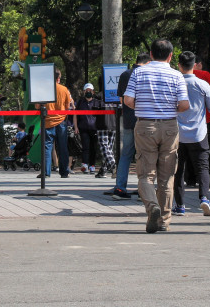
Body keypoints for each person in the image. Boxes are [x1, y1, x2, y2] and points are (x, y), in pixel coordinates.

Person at [123, 39, 190, 233]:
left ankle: (152, 206)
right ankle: (164, 221)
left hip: (145, 125)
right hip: (169, 126)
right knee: (167, 175)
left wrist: (144, 107)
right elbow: (184, 105)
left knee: (145, 174)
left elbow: (128, 99)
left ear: (150, 54)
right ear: (170, 56)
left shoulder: (138, 72)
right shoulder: (177, 75)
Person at [174, 51, 210, 217]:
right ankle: (204, 198)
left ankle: (180, 205)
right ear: (195, 65)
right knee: (203, 167)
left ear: (179, 65)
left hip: (177, 134)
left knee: (178, 170)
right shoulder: (203, 84)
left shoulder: (174, 84)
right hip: (199, 133)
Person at [107, 52, 150, 199]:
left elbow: (121, 99)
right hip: (144, 120)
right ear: (148, 62)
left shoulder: (125, 74)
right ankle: (143, 190)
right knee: (144, 155)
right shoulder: (147, 74)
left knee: (125, 154)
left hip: (128, 120)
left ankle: (120, 188)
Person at [41, 69, 74, 179]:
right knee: (63, 147)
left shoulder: (44, 89)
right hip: (61, 122)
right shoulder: (64, 89)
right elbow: (68, 105)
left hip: (47, 121)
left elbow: (37, 106)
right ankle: (64, 172)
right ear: (58, 78)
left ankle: (46, 172)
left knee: (47, 147)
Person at [75, 83, 104, 173]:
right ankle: (85, 164)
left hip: (94, 128)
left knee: (93, 148)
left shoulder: (97, 102)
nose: (88, 92)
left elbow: (101, 116)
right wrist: (76, 127)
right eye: (86, 91)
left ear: (93, 92)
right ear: (84, 92)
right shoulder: (80, 102)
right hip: (83, 128)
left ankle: (92, 165)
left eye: (90, 91)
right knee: (85, 147)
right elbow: (75, 115)